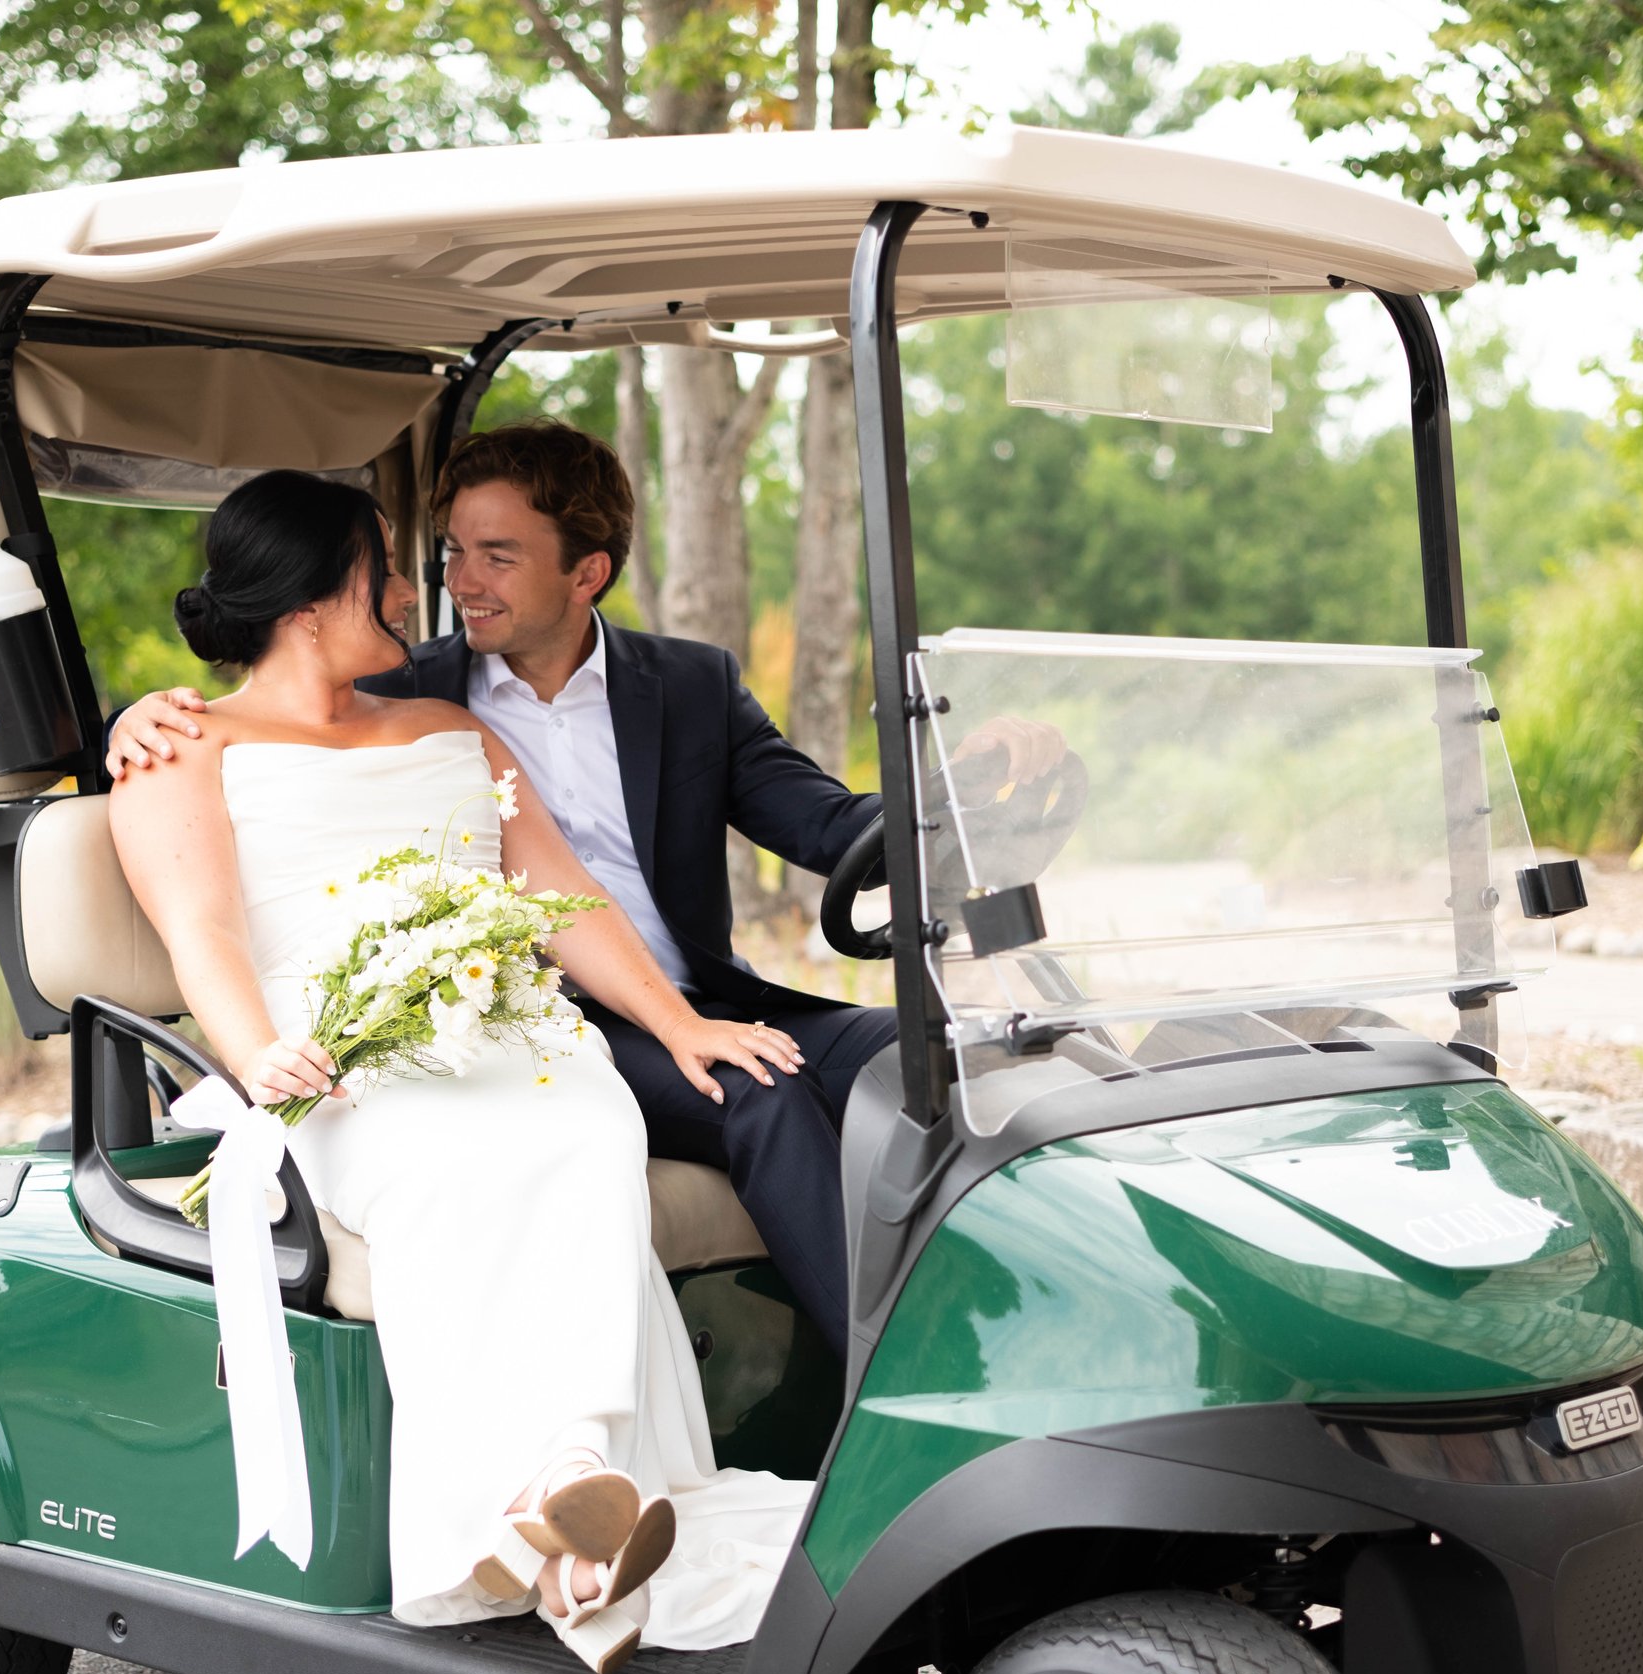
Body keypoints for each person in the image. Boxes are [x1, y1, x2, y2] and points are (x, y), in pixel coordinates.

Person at [112, 423, 1071, 1357]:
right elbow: (253, 748)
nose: (451, 584)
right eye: (449, 553)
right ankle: (906, 1377)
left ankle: (1037, 1317)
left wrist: (959, 786)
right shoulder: (418, 692)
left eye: (497, 555)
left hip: (687, 993)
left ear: (586, 573)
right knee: (767, 1096)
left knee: (938, 1048)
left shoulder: (689, 686)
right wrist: (135, 715)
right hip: (525, 1017)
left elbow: (826, 825)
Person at [106, 468, 812, 1674]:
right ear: (309, 604)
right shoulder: (179, 748)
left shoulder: (451, 728)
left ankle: (564, 1510)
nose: (410, 587)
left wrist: (674, 1021)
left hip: (505, 1038)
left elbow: (553, 895)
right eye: (379, 568)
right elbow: (204, 934)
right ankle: (570, 1504)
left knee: (586, 1133)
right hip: (334, 1060)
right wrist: (259, 1052)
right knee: (453, 1163)